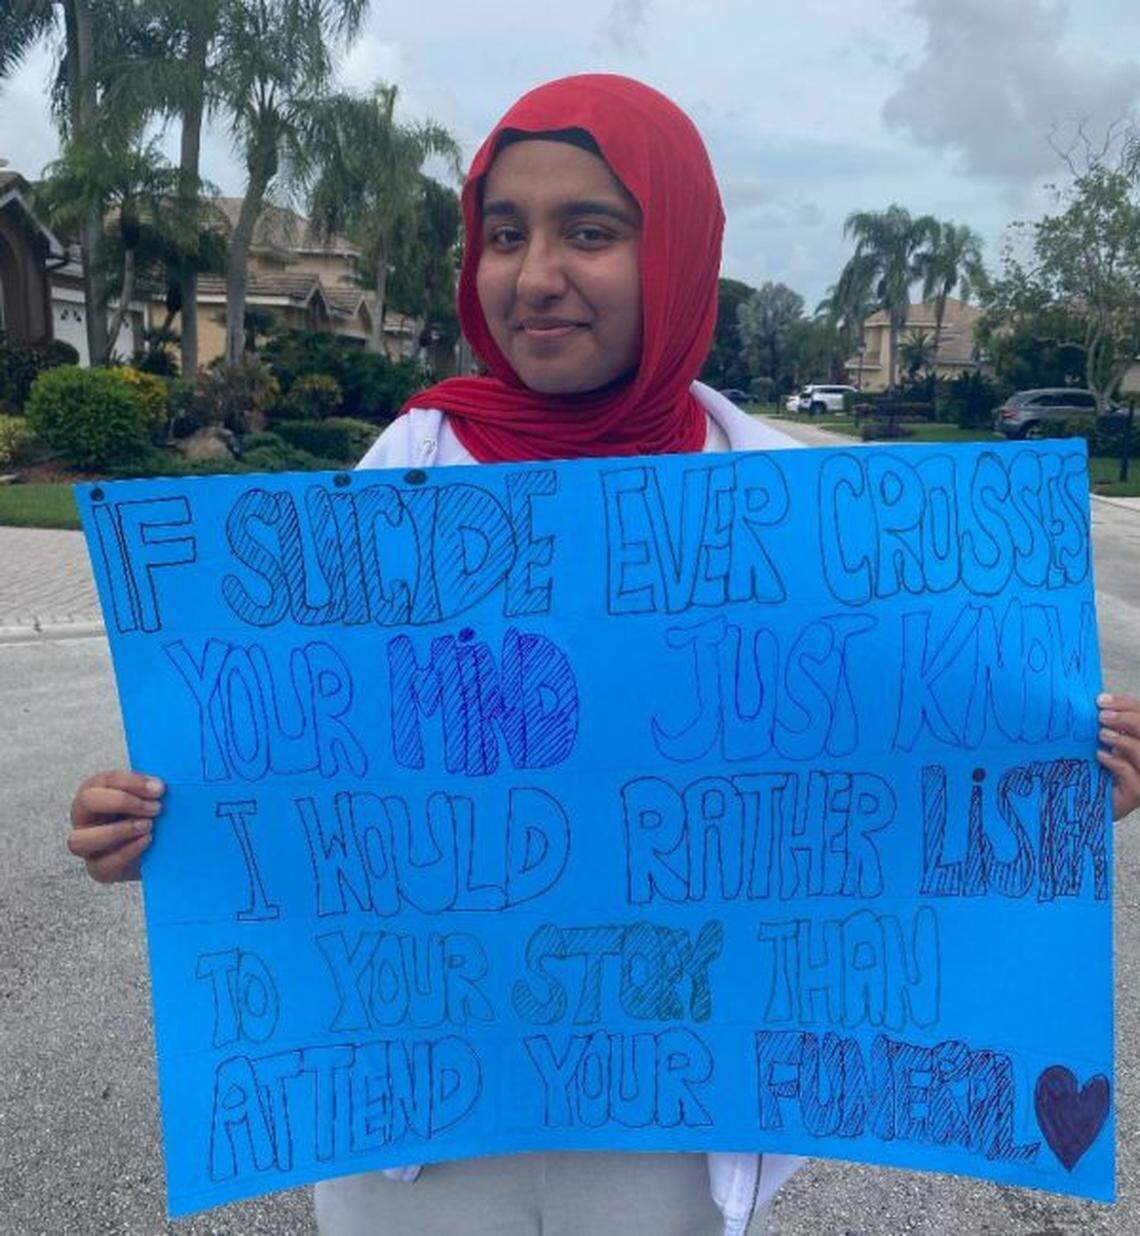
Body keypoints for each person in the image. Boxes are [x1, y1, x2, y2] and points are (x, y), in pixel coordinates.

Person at [67, 74, 1140, 1236]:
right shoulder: (402, 467)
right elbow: (292, 752)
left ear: (677, 249)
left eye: (593, 231)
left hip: (669, 1127)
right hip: (425, 1125)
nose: (537, 276)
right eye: (505, 235)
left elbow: (891, 755)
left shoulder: (792, 505)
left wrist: (1056, 777)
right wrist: (153, 820)